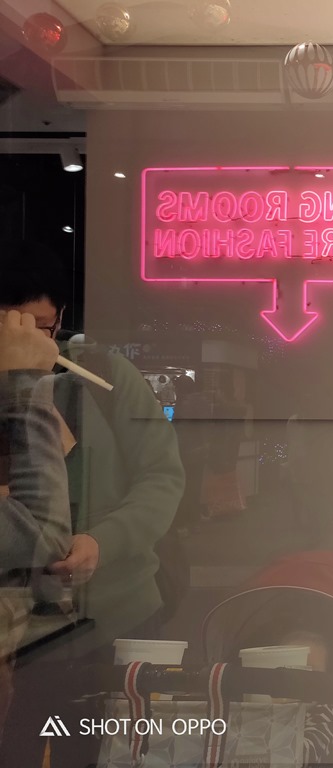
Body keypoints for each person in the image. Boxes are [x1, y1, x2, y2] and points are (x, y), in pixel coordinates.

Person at [0, 241, 185, 767]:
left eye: (41, 328)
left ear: (59, 321)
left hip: (115, 620)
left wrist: (102, 542)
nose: (28, 343)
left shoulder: (103, 378)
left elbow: (162, 478)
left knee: (110, 753)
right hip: (18, 643)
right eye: (11, 328)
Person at [0, 310, 72, 735]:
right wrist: (27, 381)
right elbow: (44, 529)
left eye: (42, 325)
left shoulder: (92, 376)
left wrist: (104, 538)